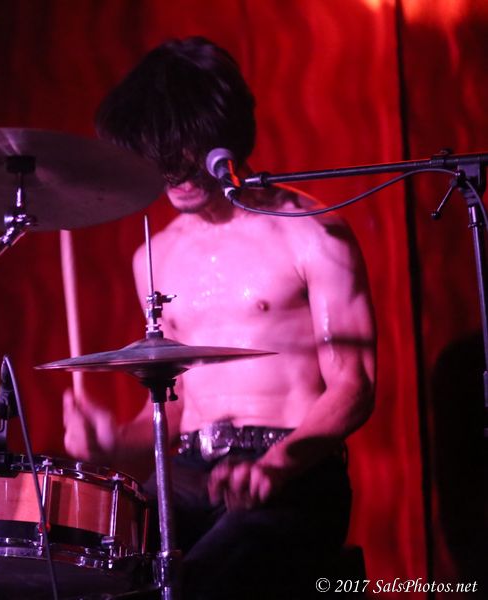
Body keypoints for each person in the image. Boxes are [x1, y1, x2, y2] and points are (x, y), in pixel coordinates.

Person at [63, 37, 376, 599]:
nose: (177, 172)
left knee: (197, 583)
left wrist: (277, 466)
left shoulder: (311, 231)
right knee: (104, 574)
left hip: (296, 470)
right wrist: (114, 441)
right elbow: (177, 407)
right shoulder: (153, 256)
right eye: (161, 157)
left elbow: (355, 386)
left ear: (224, 134)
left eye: (187, 150)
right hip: (188, 471)